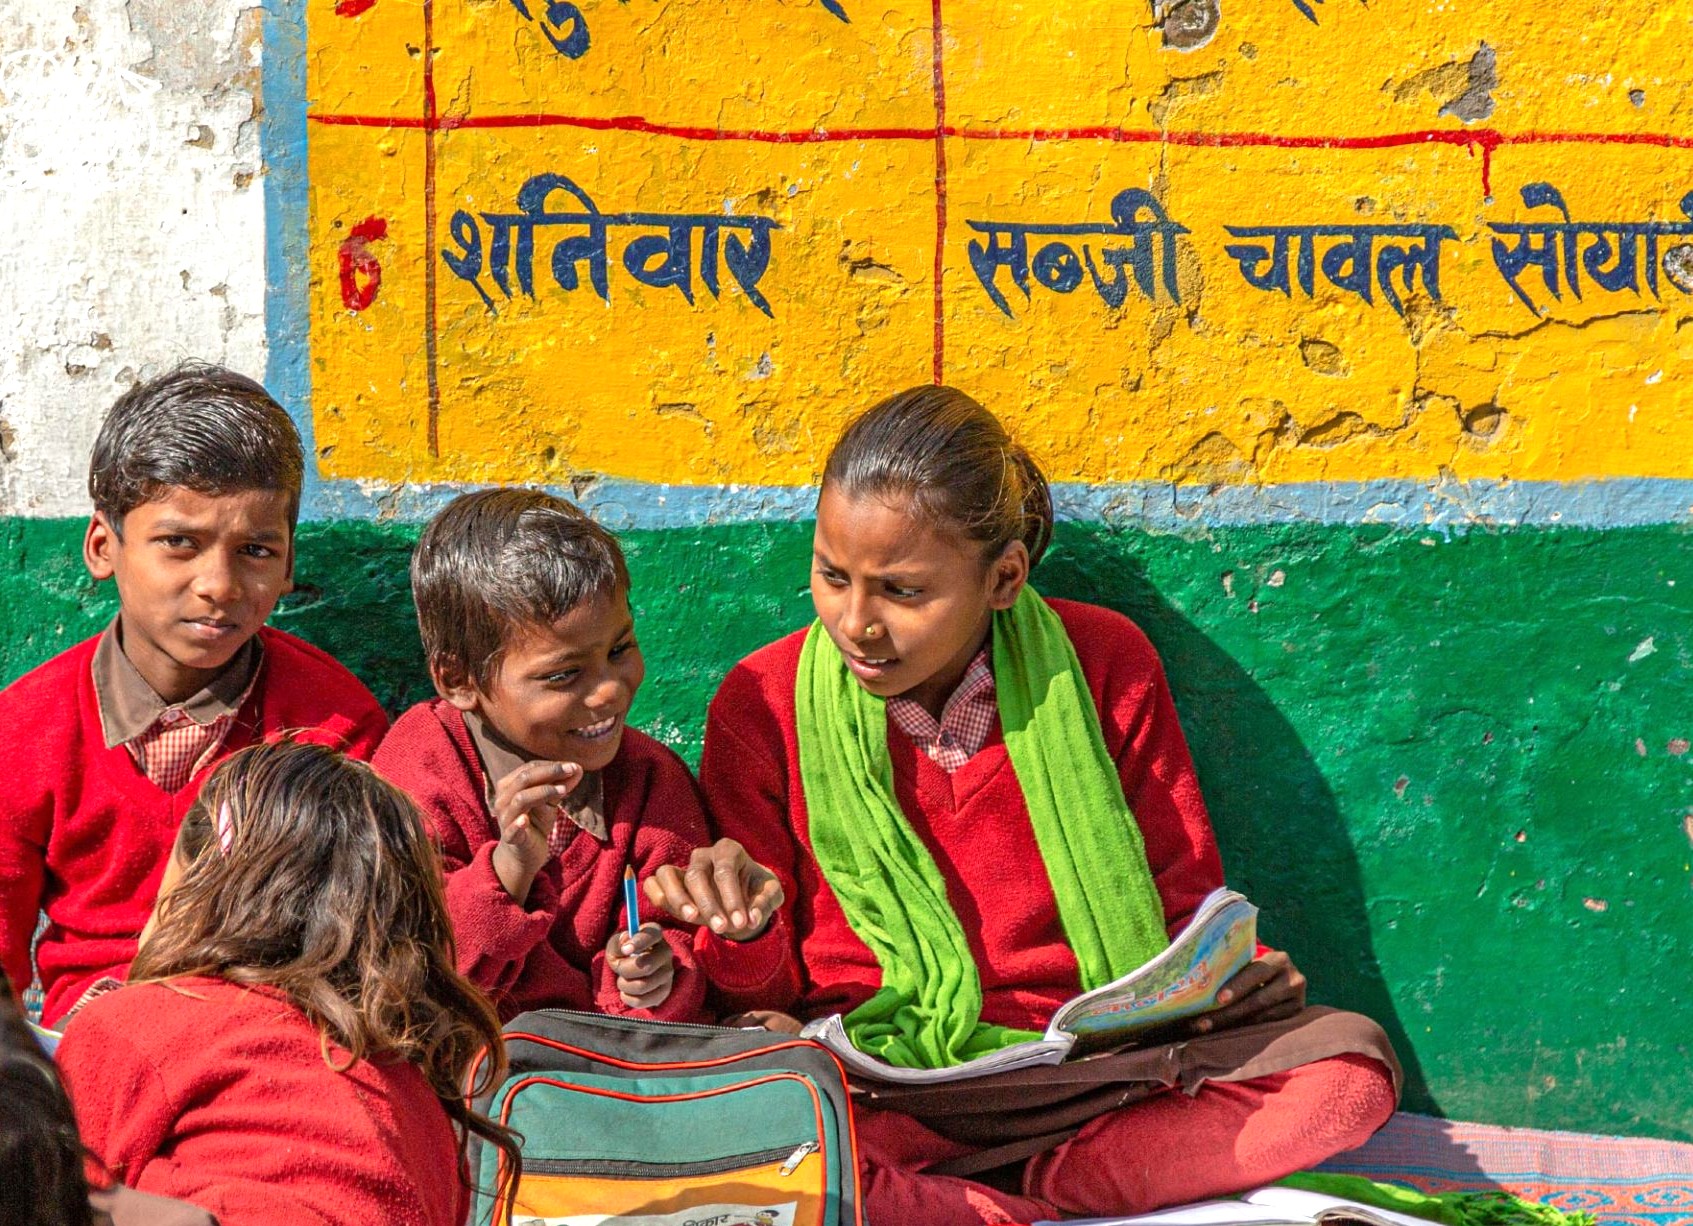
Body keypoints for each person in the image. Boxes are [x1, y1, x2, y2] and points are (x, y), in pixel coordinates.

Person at [655, 387, 1400, 1225]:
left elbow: (1181, 897)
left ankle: (1001, 1200)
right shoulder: (762, 701)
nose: (854, 622)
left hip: (1091, 1071)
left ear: (1003, 577)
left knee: (1348, 1075)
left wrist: (1231, 979)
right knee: (749, 1118)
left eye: (901, 592)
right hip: (874, 1083)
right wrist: (745, 935)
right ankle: (977, 1196)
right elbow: (770, 985)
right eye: (832, 576)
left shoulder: (1102, 661)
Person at [0, 364, 389, 1026]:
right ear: (102, 546)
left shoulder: (332, 726)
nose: (219, 584)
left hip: (271, 1032)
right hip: (89, 1041)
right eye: (179, 542)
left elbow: (361, 950)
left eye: (256, 551)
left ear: (290, 563)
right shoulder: (25, 731)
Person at [55, 740, 519, 1226]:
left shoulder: (139, 1023)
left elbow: (51, 1196)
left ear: (196, 894)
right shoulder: (417, 1095)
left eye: (160, 900)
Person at [373, 489, 778, 1022]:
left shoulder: (652, 784)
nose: (609, 692)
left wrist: (644, 977)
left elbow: (683, 971)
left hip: (599, 1078)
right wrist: (508, 866)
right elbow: (409, 980)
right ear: (459, 679)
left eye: (619, 650)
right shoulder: (420, 770)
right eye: (563, 674)